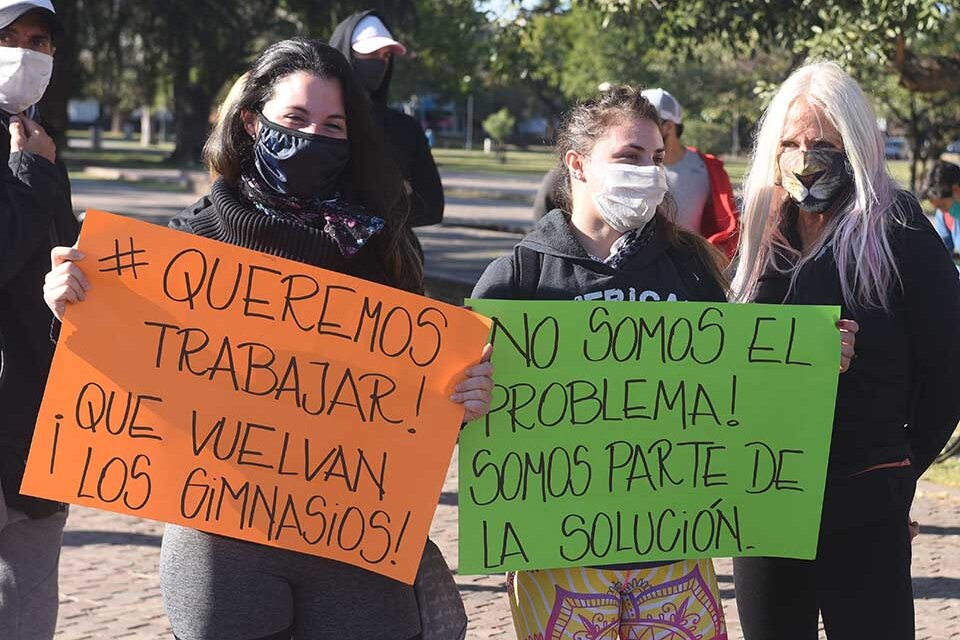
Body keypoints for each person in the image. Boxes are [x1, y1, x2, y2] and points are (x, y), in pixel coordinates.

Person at [43, 38, 493, 640]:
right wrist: (70, 306)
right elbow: (120, 365)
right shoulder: (188, 246)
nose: (316, 136)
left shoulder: (382, 248)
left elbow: (420, 393)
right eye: (297, 119)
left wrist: (463, 397)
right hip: (222, 543)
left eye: (334, 126)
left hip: (356, 540)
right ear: (253, 122)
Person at [472, 85, 856, 640]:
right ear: (577, 164)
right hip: (556, 556)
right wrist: (465, 396)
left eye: (656, 159)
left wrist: (812, 361)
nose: (649, 172)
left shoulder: (691, 269)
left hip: (673, 548)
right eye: (629, 157)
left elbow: (736, 388)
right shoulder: (519, 277)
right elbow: (465, 415)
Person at [730, 61, 960, 640]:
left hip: (863, 492)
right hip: (764, 496)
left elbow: (949, 366)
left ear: (855, 143)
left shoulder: (897, 223)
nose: (804, 158)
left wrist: (902, 469)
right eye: (790, 143)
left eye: (823, 143)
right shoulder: (760, 225)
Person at [0, 1, 76, 638]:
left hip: (38, 418)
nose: (26, 52)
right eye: (9, 37)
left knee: (28, 608)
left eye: (40, 41)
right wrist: (31, 175)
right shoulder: (35, 157)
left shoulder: (39, 141)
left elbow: (61, 255)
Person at [330, 11, 444, 228]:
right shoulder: (316, 122)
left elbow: (431, 205)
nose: (380, 63)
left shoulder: (404, 128)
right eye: (371, 53)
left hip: (390, 256)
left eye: (386, 56)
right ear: (344, 53)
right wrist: (395, 190)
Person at [641, 88, 739, 258]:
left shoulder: (708, 168)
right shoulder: (632, 168)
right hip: (641, 268)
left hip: (691, 269)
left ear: (668, 127)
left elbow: (727, 227)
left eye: (646, 123)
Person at [921, 160, 960, 257]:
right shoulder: (944, 216)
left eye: (942, 206)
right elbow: (941, 253)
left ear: (956, 190)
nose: (943, 212)